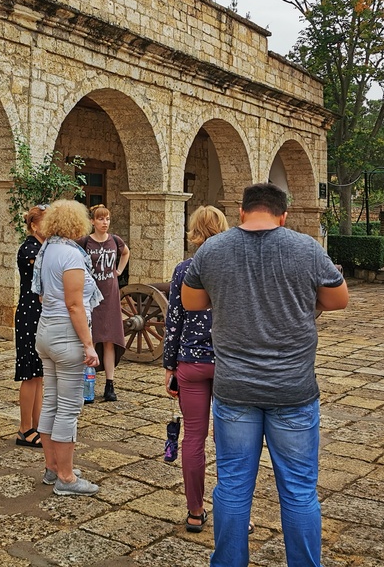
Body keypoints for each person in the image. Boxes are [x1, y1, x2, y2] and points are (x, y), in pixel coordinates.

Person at [181, 183, 348, 567]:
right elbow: (339, 298)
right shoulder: (305, 247)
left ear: (241, 212)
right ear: (283, 214)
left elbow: (192, 301)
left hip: (235, 387)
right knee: (299, 491)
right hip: (293, 388)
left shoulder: (214, 249)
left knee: (234, 487)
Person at [163, 205, 229, 534]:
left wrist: (169, 366)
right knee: (232, 440)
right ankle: (237, 515)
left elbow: (173, 321)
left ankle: (194, 511)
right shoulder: (235, 267)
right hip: (229, 363)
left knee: (193, 438)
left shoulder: (184, 270)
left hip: (190, 361)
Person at [34, 199, 102, 495]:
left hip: (46, 330)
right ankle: (66, 477)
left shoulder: (46, 250)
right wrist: (89, 345)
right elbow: (75, 305)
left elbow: (41, 295)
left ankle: (52, 467)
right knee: (69, 408)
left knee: (51, 402)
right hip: (66, 335)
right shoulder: (71, 256)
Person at [77, 204, 130, 401]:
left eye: (107, 219)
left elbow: (126, 253)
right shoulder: (84, 242)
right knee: (89, 339)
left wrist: (119, 271)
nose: (104, 222)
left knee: (109, 340)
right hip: (90, 297)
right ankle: (87, 384)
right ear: (92, 221)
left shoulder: (115, 240)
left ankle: (110, 384)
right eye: (100, 219)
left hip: (110, 296)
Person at [14, 205, 48, 448]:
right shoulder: (29, 248)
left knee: (39, 374)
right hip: (29, 313)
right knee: (29, 373)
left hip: (40, 313)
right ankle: (24, 428)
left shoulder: (44, 247)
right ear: (34, 225)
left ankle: (36, 426)